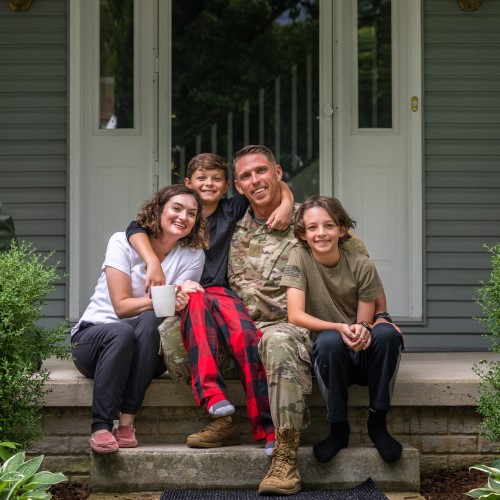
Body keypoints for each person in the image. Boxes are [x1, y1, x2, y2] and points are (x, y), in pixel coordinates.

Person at [227, 145, 397, 495]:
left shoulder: (313, 219)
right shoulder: (235, 228)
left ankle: (285, 458)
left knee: (279, 341)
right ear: (238, 185)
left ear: (278, 173)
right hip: (251, 331)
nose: (255, 180)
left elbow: (363, 270)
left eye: (262, 171)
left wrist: (380, 317)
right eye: (246, 176)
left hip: (307, 328)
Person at [125, 152, 294, 456]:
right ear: (188, 183)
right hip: (188, 293)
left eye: (217, 179)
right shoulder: (180, 216)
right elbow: (134, 228)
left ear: (229, 186)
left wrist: (286, 204)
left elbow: (276, 187)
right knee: (198, 317)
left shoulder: (232, 209)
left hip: (221, 291)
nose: (209, 184)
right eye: (201, 179)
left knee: (246, 337)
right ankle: (212, 394)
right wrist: (152, 261)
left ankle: (268, 428)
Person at [71, 184, 208, 454]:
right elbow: (121, 307)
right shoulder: (121, 242)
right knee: (121, 332)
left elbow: (169, 308)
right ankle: (100, 427)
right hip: (94, 340)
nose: (183, 217)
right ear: (158, 210)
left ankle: (126, 423)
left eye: (192, 213)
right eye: (176, 208)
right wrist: (169, 293)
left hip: (145, 349)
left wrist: (175, 300)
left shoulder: (193, 256)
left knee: (148, 321)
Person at [281, 195, 404, 467]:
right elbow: (295, 315)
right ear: (303, 233)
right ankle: (339, 429)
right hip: (331, 358)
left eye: (328, 226)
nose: (321, 233)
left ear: (342, 229)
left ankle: (377, 423)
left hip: (363, 355)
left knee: (386, 334)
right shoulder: (299, 257)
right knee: (327, 340)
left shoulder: (361, 264)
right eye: (312, 227)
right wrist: (338, 327)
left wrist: (363, 331)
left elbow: (364, 320)